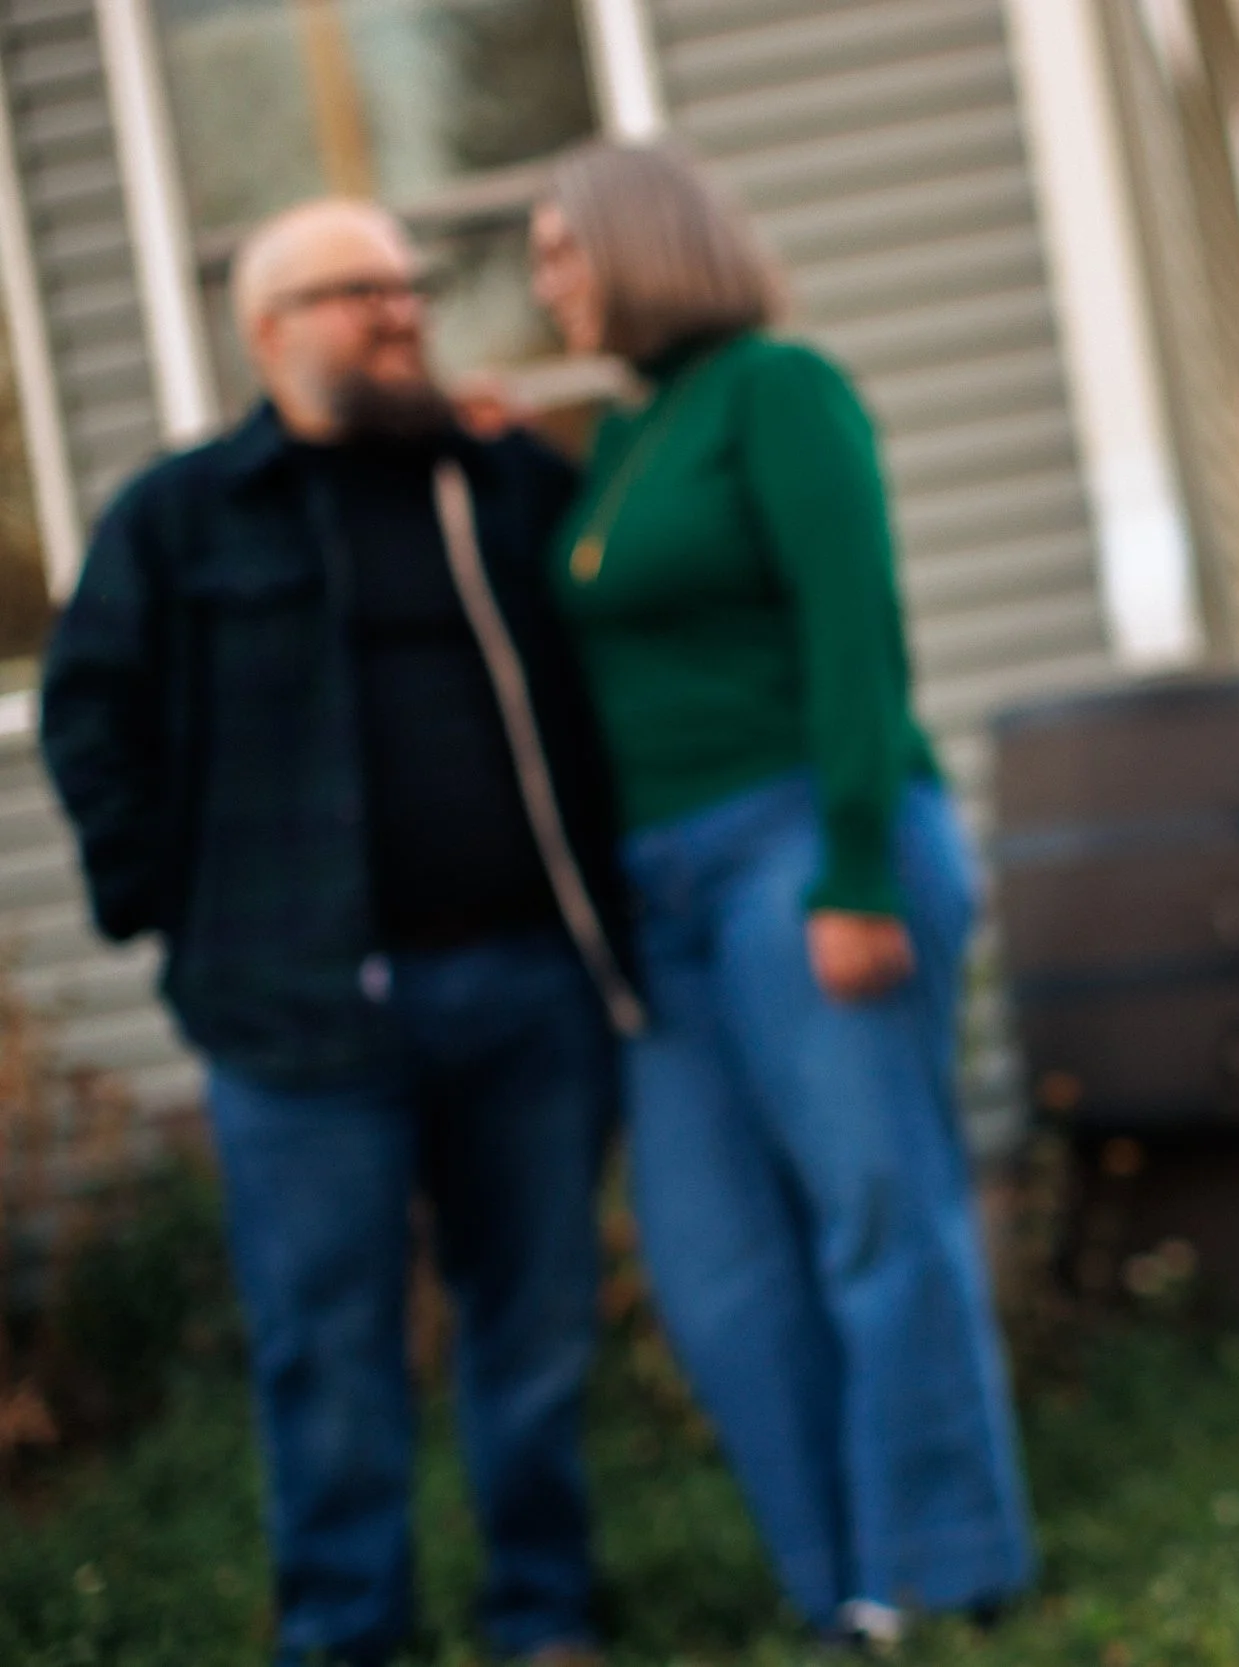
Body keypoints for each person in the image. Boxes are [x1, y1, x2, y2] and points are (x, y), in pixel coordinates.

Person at [39, 202, 636, 1665]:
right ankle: (350, 1634)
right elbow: (86, 716)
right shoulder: (179, 517)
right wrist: (169, 906)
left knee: (536, 1328)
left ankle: (543, 1616)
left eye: (408, 287)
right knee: (329, 1350)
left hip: (522, 983)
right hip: (295, 1013)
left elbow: (612, 625)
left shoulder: (497, 484)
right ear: (267, 331)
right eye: (357, 291)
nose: (400, 312)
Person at [525, 142, 1034, 1651]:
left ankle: (946, 1569)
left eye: (561, 250)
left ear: (642, 244)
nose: (544, 280)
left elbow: (855, 633)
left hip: (804, 848)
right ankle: (838, 1588)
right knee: (713, 1263)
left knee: (881, 1214)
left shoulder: (780, 387)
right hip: (656, 895)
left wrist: (857, 869)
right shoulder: (621, 438)